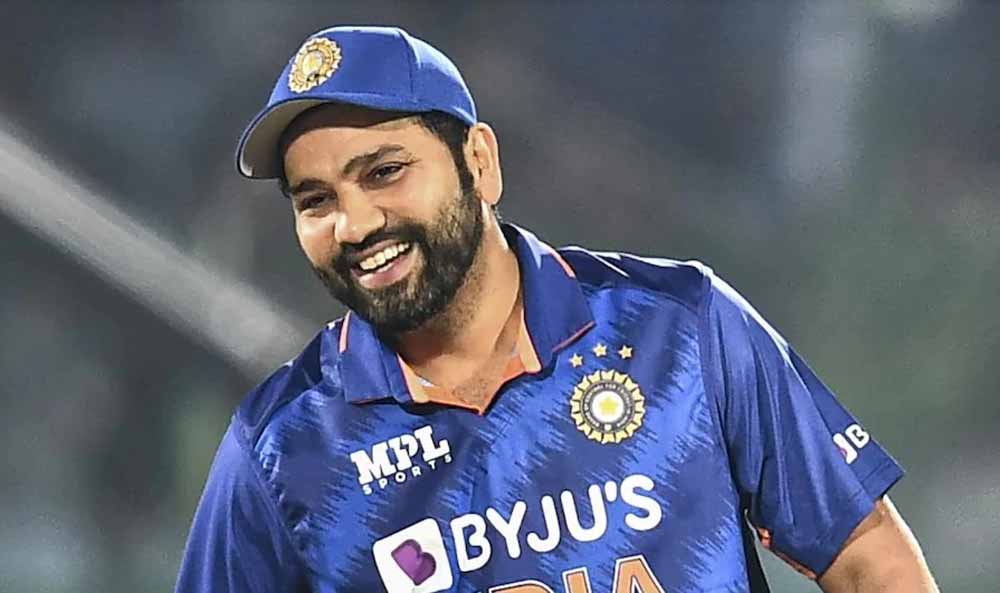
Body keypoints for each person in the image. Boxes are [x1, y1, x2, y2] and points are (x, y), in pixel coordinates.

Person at [175, 25, 939, 593]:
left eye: (384, 172)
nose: (355, 224)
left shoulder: (680, 328)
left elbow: (868, 559)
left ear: (479, 162)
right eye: (316, 200)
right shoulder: (283, 448)